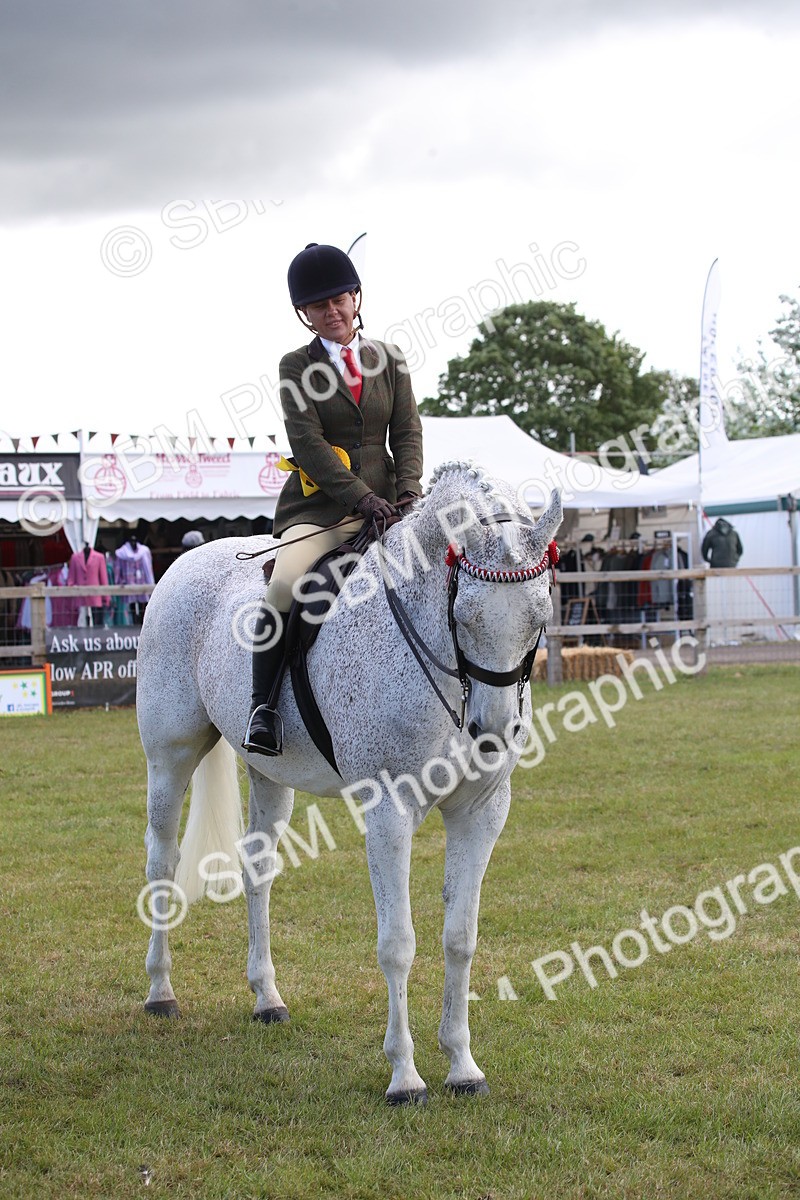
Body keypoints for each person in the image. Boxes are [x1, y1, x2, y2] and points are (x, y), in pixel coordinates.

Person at [242, 242, 424, 756]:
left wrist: (408, 493)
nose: (332, 311)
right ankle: (264, 707)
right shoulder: (295, 366)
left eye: (340, 299)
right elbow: (309, 445)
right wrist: (361, 497)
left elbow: (407, 432)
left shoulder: (389, 359)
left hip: (393, 505)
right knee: (284, 584)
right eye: (319, 306)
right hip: (321, 509)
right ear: (305, 314)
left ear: (356, 297)